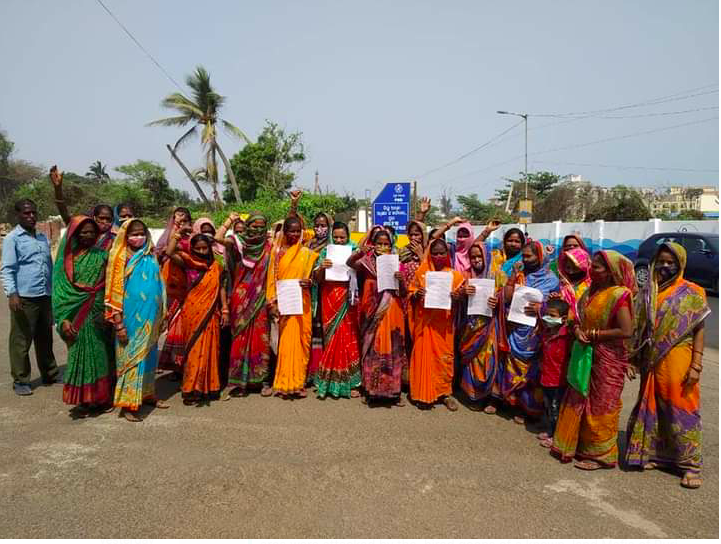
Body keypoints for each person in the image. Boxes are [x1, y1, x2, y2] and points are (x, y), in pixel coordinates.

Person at [625, 242, 710, 489]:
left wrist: (696, 365)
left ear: (680, 264)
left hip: (679, 358)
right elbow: (638, 329)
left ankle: (690, 465)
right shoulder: (647, 291)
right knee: (654, 405)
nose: (664, 266)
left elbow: (699, 330)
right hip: (651, 361)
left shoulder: (693, 292)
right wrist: (631, 358)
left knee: (681, 408)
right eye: (661, 261)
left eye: (670, 262)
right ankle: (656, 455)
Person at [551, 250, 636, 470]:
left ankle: (602, 455)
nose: (592, 269)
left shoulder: (619, 295)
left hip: (609, 358)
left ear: (610, 272)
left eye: (597, 267)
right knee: (580, 397)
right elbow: (576, 319)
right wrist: (578, 329)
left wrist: (594, 335)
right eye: (593, 265)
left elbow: (626, 330)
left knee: (601, 403)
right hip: (585, 352)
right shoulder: (590, 292)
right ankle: (577, 445)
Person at [104, 219, 168, 422]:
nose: (138, 237)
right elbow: (113, 292)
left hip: (151, 316)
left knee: (149, 357)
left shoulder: (149, 254)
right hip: (130, 318)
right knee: (131, 358)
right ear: (125, 235)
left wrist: (163, 313)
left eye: (141, 233)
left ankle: (147, 394)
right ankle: (127, 404)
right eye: (134, 234)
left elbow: (160, 285)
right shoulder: (119, 257)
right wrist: (118, 323)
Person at [52, 216, 113, 416]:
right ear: (75, 234)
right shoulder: (67, 259)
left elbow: (112, 282)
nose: (88, 235)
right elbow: (61, 291)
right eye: (84, 232)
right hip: (75, 314)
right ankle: (83, 399)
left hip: (98, 311)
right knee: (78, 354)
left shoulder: (103, 255)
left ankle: (100, 399)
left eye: (92, 232)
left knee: (100, 353)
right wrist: (63, 318)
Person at [1, 199, 60, 396]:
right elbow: (7, 269)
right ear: (18, 215)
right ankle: (21, 380)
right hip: (24, 297)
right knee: (21, 340)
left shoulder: (42, 238)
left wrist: (53, 292)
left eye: (33, 212)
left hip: (44, 295)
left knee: (45, 338)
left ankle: (50, 373)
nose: (31, 216)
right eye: (26, 213)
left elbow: (48, 267)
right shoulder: (13, 238)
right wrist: (12, 293)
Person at [499, 241, 560, 424]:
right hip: (515, 328)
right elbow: (507, 297)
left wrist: (541, 308)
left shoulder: (552, 280)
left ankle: (528, 410)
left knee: (530, 371)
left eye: (528, 256)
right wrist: (513, 276)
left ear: (540, 257)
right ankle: (511, 403)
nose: (525, 259)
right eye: (523, 255)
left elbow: (556, 308)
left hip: (535, 332)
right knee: (511, 365)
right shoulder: (520, 274)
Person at [347, 227, 408, 406]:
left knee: (392, 348)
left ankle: (393, 392)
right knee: (373, 348)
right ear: (373, 245)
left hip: (391, 310)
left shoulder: (398, 264)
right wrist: (360, 251)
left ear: (391, 245)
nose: (382, 247)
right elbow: (350, 263)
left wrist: (401, 279)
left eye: (386, 244)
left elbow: (403, 293)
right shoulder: (366, 262)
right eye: (379, 243)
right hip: (371, 310)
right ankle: (371, 390)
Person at [165, 231, 224, 405]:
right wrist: (176, 236)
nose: (202, 251)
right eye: (198, 248)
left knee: (210, 349)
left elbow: (220, 287)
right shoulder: (188, 263)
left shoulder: (216, 265)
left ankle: (208, 387)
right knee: (193, 350)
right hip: (192, 311)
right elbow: (169, 253)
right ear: (192, 248)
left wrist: (225, 308)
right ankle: (191, 388)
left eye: (205, 248)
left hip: (211, 311)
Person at [221, 212, 274, 398]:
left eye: (261, 227)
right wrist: (229, 221)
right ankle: (238, 382)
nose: (258, 230)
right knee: (240, 340)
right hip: (241, 298)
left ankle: (262, 381)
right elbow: (218, 239)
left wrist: (293, 205)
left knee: (261, 340)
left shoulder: (270, 246)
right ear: (247, 226)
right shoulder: (238, 243)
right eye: (254, 226)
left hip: (261, 299)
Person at [408, 239, 464, 410]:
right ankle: (421, 393)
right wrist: (418, 294)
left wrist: (457, 298)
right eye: (435, 253)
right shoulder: (422, 273)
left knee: (443, 360)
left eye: (442, 253)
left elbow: (461, 299)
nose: (439, 256)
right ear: (430, 254)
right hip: (425, 325)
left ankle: (444, 393)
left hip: (444, 327)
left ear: (447, 254)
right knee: (423, 357)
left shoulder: (455, 276)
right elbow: (411, 295)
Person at [266, 215, 319, 398]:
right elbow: (272, 279)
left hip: (301, 302)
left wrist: (310, 282)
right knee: (286, 343)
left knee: (302, 341)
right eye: (291, 230)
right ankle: (283, 382)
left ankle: (298, 383)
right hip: (284, 303)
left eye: (298, 230)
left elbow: (313, 277)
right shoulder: (277, 252)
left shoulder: (306, 253)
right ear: (285, 232)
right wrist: (272, 302)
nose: (295, 234)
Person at [312, 221, 362, 399]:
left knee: (349, 337)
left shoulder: (355, 250)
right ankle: (329, 379)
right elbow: (317, 279)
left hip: (348, 297)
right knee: (332, 337)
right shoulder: (326, 251)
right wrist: (321, 268)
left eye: (343, 237)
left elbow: (363, 273)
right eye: (337, 237)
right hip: (329, 297)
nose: (340, 240)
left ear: (348, 236)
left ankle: (352, 382)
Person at [457, 243, 504, 411]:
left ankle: (490, 396)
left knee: (488, 358)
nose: (476, 260)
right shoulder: (465, 275)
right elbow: (456, 296)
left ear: (486, 256)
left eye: (479, 256)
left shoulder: (497, 275)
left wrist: (498, 301)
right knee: (472, 360)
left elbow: (506, 297)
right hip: (470, 327)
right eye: (473, 257)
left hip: (489, 326)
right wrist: (463, 293)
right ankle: (473, 395)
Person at [49, 166, 116, 250]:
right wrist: (58, 189)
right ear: (94, 217)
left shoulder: (115, 240)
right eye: (101, 218)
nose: (104, 222)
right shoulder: (82, 232)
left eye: (108, 219)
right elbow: (66, 216)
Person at [537, 298, 572, 448]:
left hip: (559, 380)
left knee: (556, 408)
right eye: (546, 314)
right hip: (546, 376)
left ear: (563, 318)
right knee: (547, 405)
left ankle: (556, 435)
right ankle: (550, 430)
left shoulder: (568, 336)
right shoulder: (546, 332)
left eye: (552, 315)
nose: (548, 318)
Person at [306, 212, 334, 385]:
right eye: (317, 225)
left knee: (329, 332)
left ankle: (330, 372)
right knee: (315, 333)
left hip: (331, 293)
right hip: (313, 293)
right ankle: (315, 372)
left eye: (323, 225)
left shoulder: (334, 245)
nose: (319, 228)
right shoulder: (308, 245)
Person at [555, 247, 591, 320]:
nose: (571, 272)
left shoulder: (591, 286)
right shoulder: (560, 285)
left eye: (575, 268)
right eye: (568, 268)